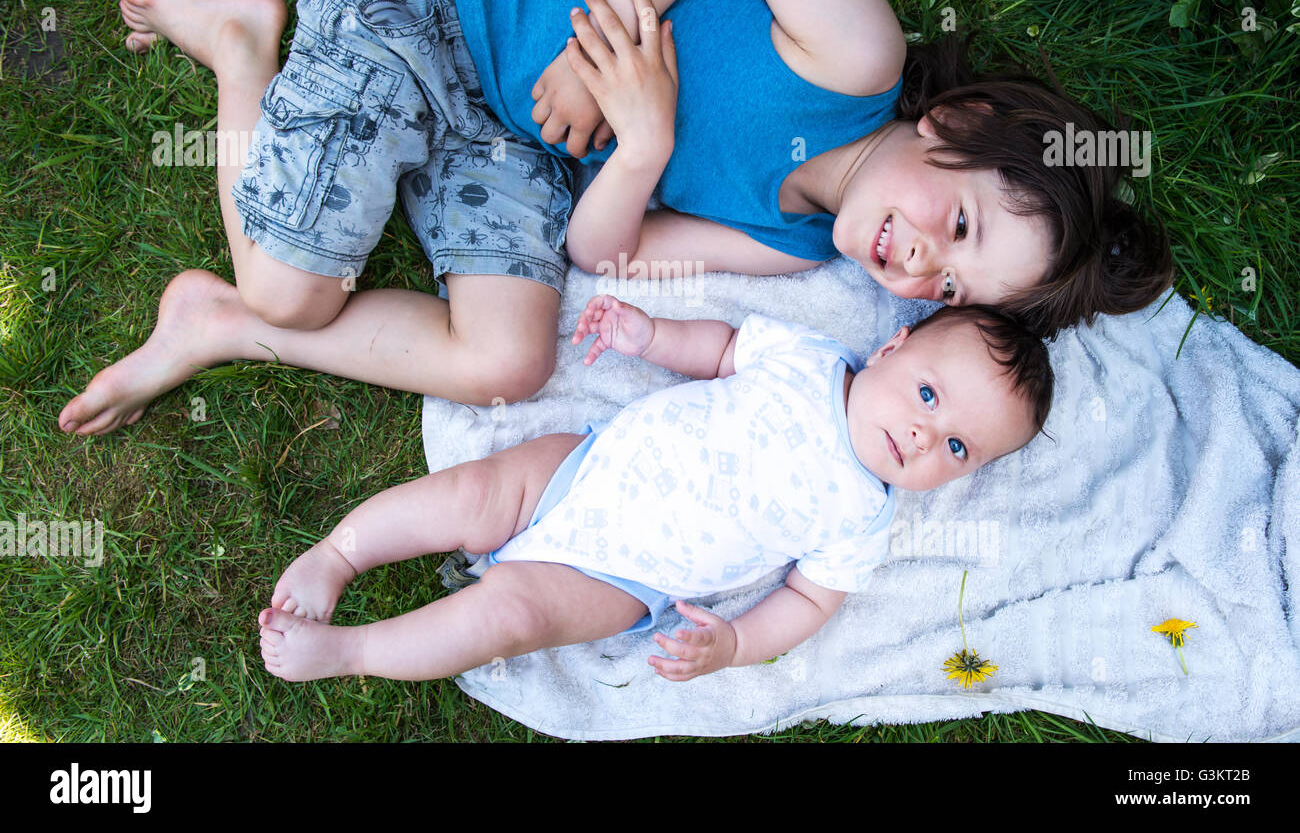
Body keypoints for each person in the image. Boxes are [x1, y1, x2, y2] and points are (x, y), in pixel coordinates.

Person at [58, 0, 1163, 438]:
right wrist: (599, 50)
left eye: (950, 288)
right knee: (291, 287)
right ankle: (245, 49)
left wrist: (638, 150)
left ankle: (216, 323)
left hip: (515, 151)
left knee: (510, 362)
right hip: (435, 6)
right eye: (956, 224)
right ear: (955, 127)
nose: (920, 267)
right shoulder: (857, 54)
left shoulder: (799, 246)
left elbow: (606, 251)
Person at [256, 292, 1053, 683]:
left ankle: (354, 650)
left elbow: (808, 604)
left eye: (956, 445)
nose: (924, 435)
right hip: (583, 468)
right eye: (927, 394)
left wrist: (734, 644)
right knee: (472, 493)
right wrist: (650, 336)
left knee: (509, 615)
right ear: (891, 346)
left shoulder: (864, 518)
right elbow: (721, 349)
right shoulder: (810, 359)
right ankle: (337, 556)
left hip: (625, 577)